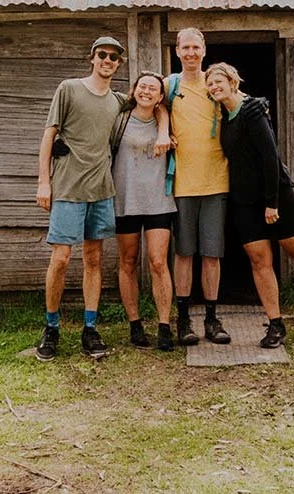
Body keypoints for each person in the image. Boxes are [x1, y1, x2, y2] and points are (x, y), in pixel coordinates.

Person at [205, 62, 294, 348]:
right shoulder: (223, 114)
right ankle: (275, 324)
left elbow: (270, 157)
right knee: (260, 260)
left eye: (218, 81)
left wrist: (271, 203)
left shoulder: (253, 110)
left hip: (275, 195)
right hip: (244, 200)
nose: (214, 87)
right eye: (210, 84)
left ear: (233, 81)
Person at [35, 37, 158, 361]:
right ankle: (51, 328)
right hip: (68, 189)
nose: (107, 60)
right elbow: (49, 134)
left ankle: (90, 328)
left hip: (101, 190)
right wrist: (43, 182)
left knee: (93, 259)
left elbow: (155, 101)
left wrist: (163, 131)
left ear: (119, 64)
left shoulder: (119, 101)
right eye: (102, 55)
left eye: (114, 57)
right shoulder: (69, 89)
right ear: (92, 58)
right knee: (61, 258)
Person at [165, 28, 231, 347]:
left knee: (212, 254)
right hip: (182, 183)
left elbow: (240, 110)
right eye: (185, 47)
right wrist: (164, 133)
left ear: (204, 49)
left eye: (196, 47)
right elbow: (150, 110)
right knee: (184, 253)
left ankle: (211, 318)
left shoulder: (215, 83)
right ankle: (183, 320)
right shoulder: (169, 86)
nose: (191, 53)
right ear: (177, 51)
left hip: (217, 179)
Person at [111, 72, 176, 352]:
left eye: (153, 88)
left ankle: (164, 325)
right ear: (134, 90)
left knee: (158, 262)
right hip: (125, 201)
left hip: (158, 201)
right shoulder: (119, 120)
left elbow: (164, 115)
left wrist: (165, 131)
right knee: (128, 261)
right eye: (142, 86)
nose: (147, 91)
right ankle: (135, 323)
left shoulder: (166, 120)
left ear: (160, 96)